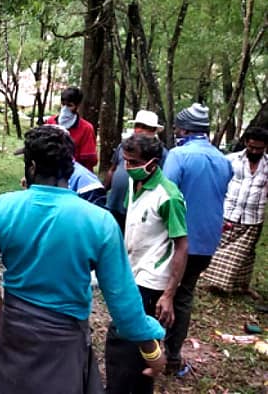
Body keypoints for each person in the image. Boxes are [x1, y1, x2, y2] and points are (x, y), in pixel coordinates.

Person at [0, 125, 165, 394]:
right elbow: (124, 303)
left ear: (31, 166)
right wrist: (151, 349)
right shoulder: (99, 223)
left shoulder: (2, 208)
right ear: (71, 166)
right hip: (65, 350)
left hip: (14, 341)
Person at [105, 134, 187, 394]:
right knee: (137, 347)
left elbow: (182, 246)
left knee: (128, 341)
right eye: (125, 161)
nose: (127, 167)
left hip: (151, 281)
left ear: (152, 164)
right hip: (131, 272)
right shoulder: (134, 184)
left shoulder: (169, 197)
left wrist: (169, 294)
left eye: (133, 162)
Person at [161, 103, 232, 376]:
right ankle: (173, 356)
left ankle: (155, 351)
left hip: (179, 240)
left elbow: (166, 193)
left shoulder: (179, 155)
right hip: (208, 240)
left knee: (163, 292)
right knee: (185, 294)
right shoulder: (222, 159)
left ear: (184, 128)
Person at [201, 126, 268, 296]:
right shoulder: (231, 160)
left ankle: (241, 286)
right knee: (223, 251)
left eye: (258, 148)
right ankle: (212, 281)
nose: (254, 151)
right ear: (246, 142)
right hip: (228, 213)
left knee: (245, 256)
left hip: (253, 218)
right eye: (251, 147)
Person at [105, 110, 167, 229]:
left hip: (137, 209)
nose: (139, 130)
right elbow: (112, 169)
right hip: (114, 204)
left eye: (145, 127)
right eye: (137, 125)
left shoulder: (161, 153)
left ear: (153, 130)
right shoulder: (124, 146)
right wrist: (104, 190)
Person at [46, 86, 98, 170]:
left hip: (74, 172)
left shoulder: (86, 128)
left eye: (70, 106)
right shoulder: (51, 122)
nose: (65, 109)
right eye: (63, 104)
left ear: (78, 106)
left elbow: (89, 160)